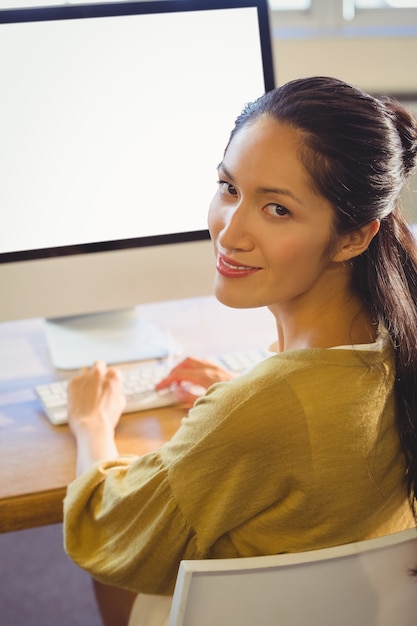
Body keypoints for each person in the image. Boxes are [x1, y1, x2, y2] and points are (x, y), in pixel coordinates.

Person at [63, 76, 417, 626]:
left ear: (354, 237)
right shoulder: (396, 341)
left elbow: (110, 530)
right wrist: (245, 392)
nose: (230, 233)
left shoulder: (258, 408)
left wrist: (92, 426)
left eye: (277, 209)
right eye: (229, 188)